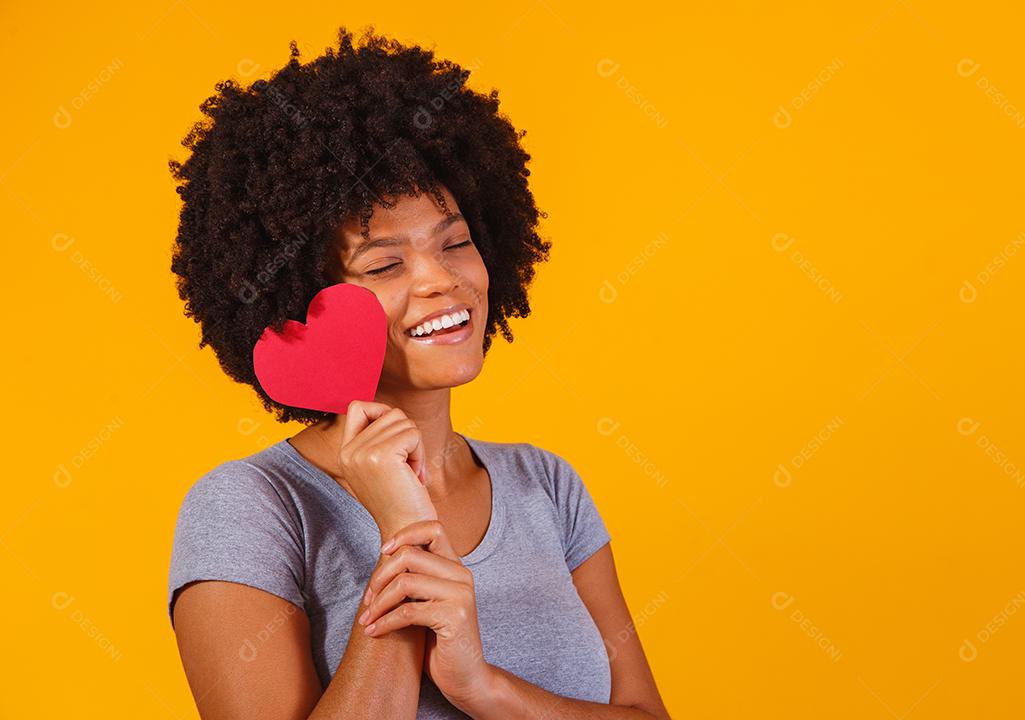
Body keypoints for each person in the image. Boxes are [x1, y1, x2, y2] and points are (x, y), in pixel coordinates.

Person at [166, 25, 669, 720]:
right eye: (385, 264)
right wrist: (406, 530)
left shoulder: (547, 487)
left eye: (456, 242)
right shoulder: (252, 507)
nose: (442, 280)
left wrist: (482, 687)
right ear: (301, 302)